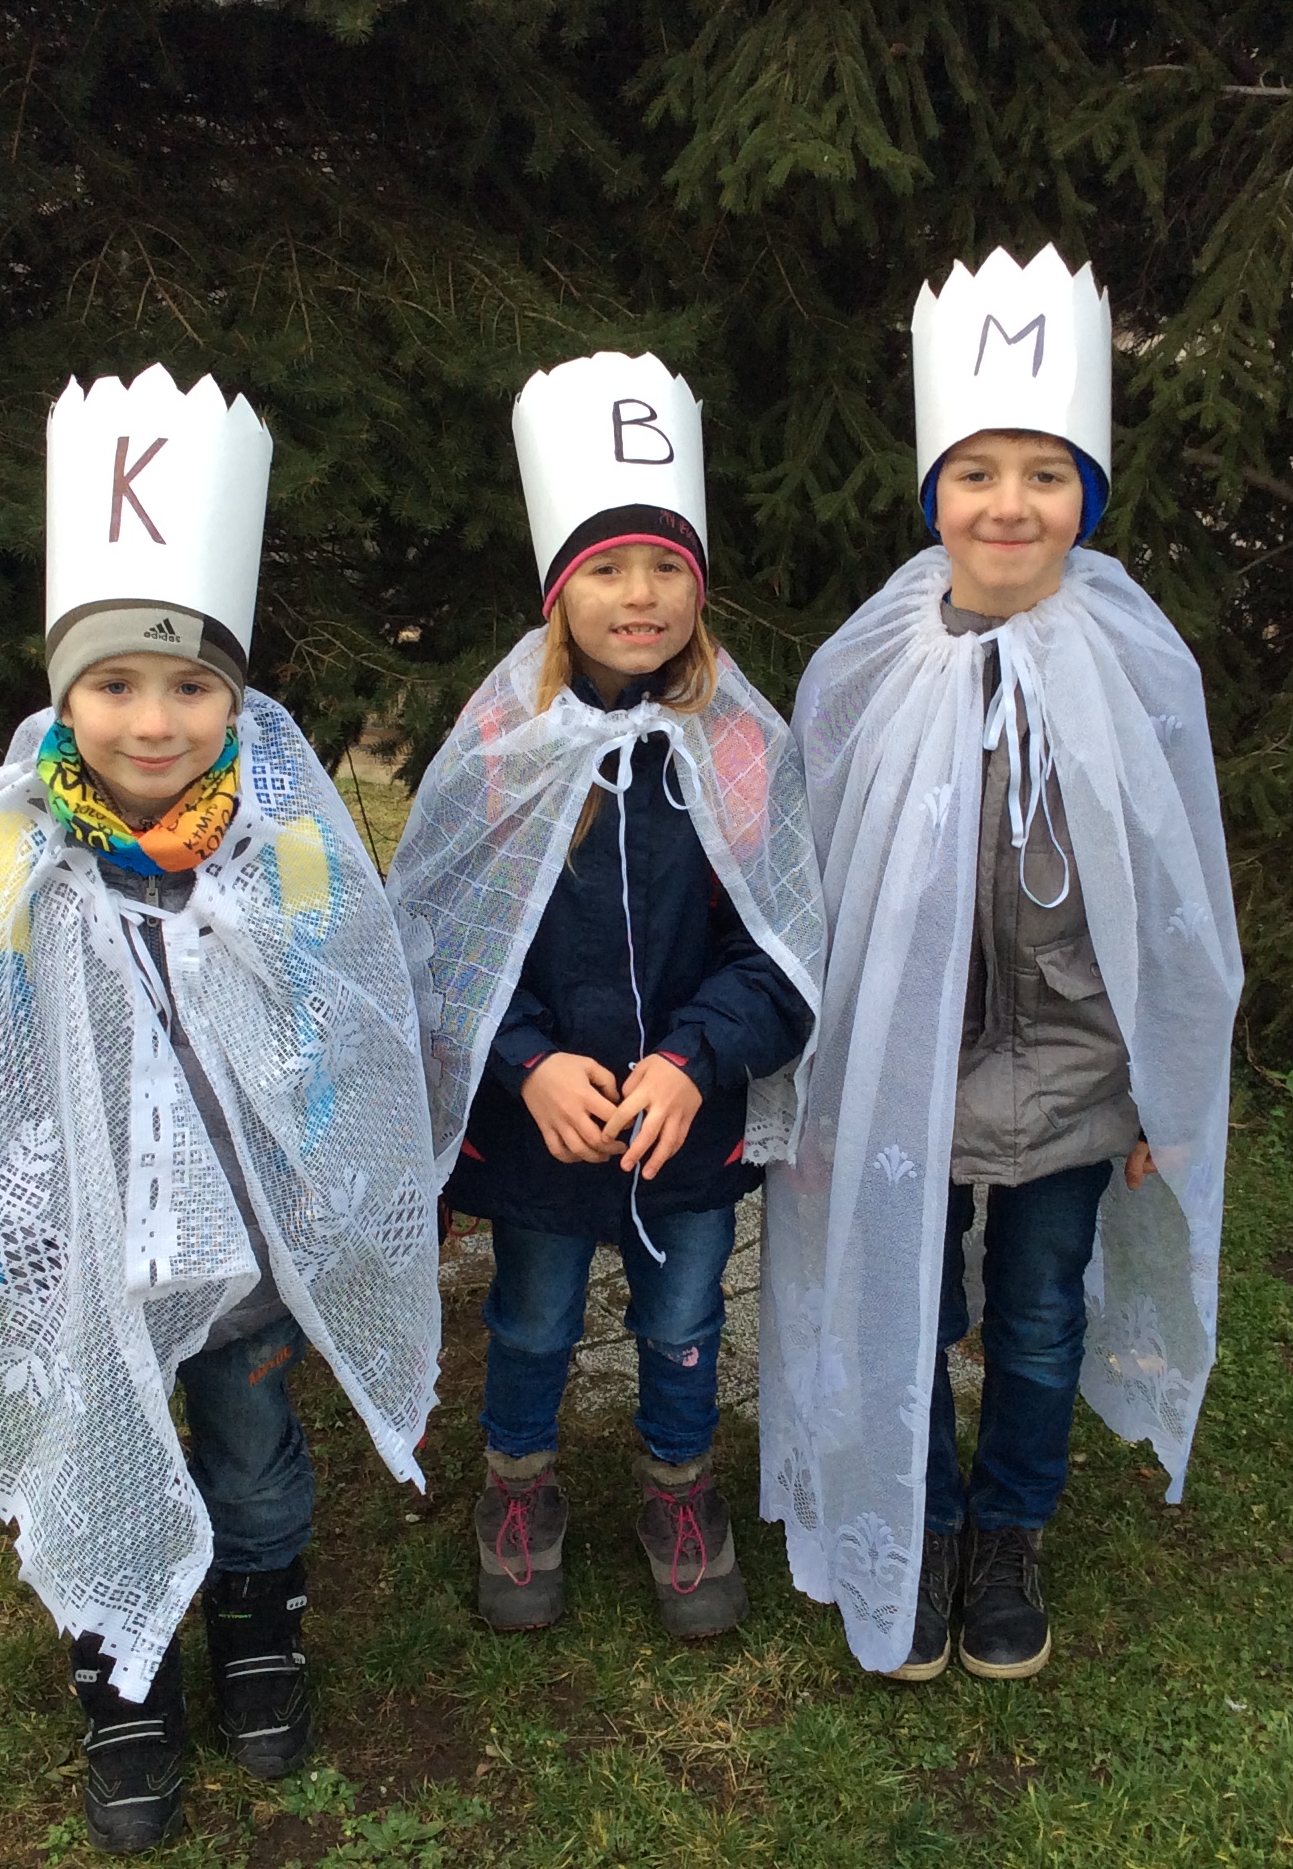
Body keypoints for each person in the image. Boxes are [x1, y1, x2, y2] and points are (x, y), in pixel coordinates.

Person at [0, 366, 443, 1852]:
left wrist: (323, 1176)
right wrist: (5, 1228)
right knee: (101, 1454)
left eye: (192, 687)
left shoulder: (285, 847)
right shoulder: (5, 857)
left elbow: (338, 1025)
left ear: (235, 697)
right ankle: (122, 1677)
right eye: (116, 684)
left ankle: (260, 1628)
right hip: (87, 1250)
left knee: (253, 1456)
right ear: (64, 692)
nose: (154, 720)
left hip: (243, 1247)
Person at [760, 248, 1243, 1682]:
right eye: (976, 473)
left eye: (1045, 474)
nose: (1010, 504)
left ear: (1086, 494)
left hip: (1082, 1074)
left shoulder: (1138, 663)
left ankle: (1010, 1530)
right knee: (903, 1308)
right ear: (936, 496)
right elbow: (813, 881)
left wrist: (1167, 1090)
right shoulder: (866, 665)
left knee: (1036, 1320)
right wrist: (818, 1075)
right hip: (906, 1067)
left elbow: (1180, 892)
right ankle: (915, 1523)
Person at [386, 352, 824, 1640]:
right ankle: (517, 1488)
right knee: (533, 1317)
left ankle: (679, 1489)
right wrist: (525, 1062)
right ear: (559, 591)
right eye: (607, 568)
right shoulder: (499, 747)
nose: (640, 595)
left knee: (685, 1314)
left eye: (666, 566)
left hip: (688, 1124)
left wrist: (696, 1059)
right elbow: (445, 941)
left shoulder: (739, 749)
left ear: (700, 584)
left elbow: (787, 947)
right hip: (549, 1131)